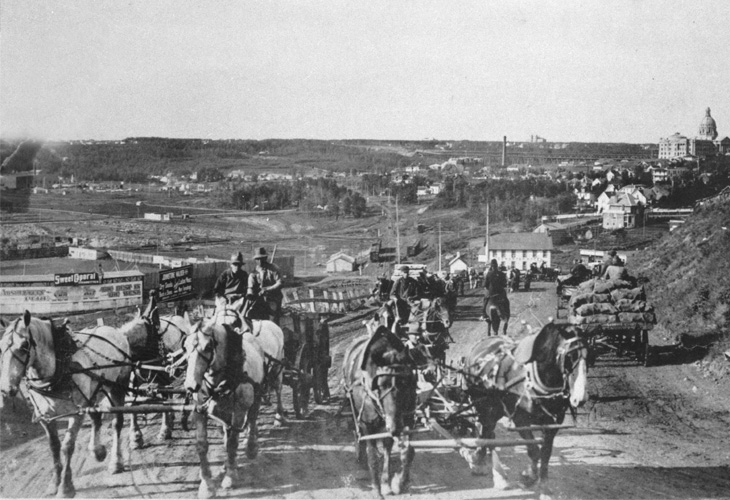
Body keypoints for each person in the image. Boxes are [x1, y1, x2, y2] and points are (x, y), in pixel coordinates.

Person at [246, 247, 283, 324]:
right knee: (249, 315)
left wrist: (267, 289)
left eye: (262, 258)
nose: (260, 261)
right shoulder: (254, 273)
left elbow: (280, 282)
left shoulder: (273, 268)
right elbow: (250, 287)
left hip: (273, 298)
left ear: (265, 258)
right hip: (259, 299)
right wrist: (250, 294)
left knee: (272, 319)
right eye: (257, 259)